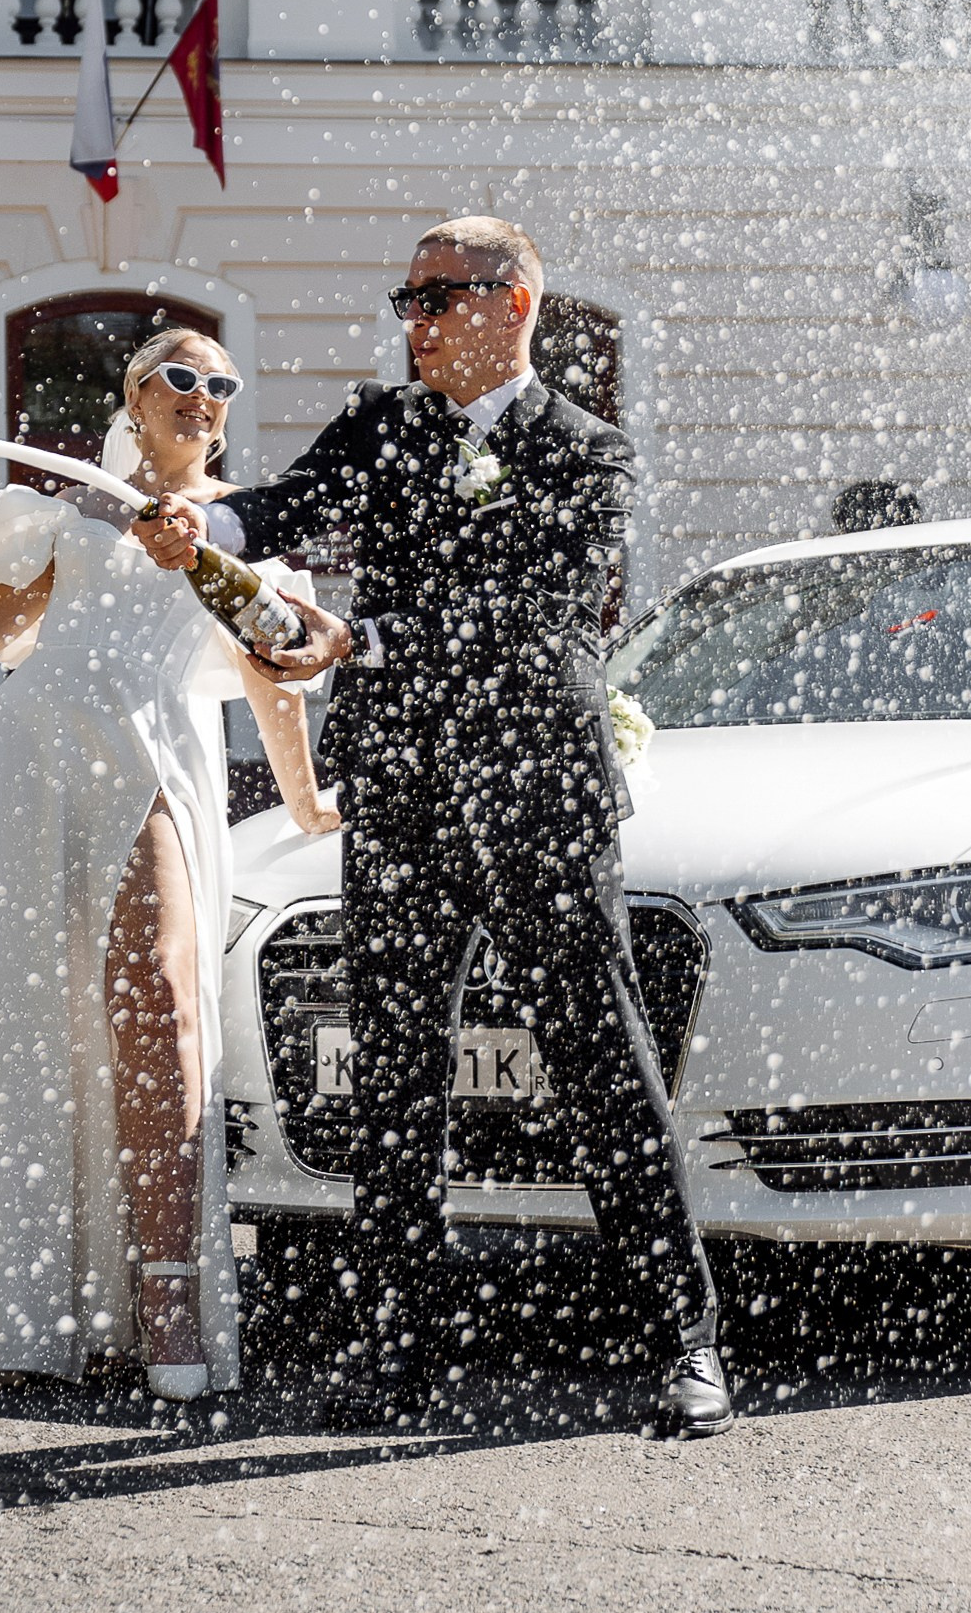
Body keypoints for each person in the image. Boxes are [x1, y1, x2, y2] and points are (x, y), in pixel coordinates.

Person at [137, 218, 732, 1440]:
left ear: (513, 303)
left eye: (433, 297)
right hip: (401, 798)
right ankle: (400, 1349)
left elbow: (539, 610)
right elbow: (289, 505)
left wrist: (371, 639)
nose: (409, 321)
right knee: (396, 1080)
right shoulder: (383, 424)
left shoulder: (589, 451)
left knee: (600, 1063)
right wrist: (209, 532)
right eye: (401, 299)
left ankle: (684, 1341)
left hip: (537, 801)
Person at [0, 326, 342, 1400]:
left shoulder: (239, 527)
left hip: (155, 750)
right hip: (34, 753)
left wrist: (306, 803)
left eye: (221, 383)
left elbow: (272, 675)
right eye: (180, 376)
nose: (203, 396)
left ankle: (161, 1291)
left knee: (160, 1000)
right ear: (132, 393)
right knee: (39, 1015)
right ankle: (41, 1290)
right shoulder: (70, 505)